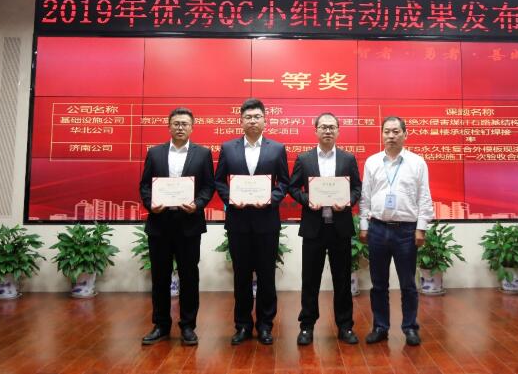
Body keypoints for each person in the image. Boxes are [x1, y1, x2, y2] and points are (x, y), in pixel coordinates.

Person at [214, 98, 290, 345]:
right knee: (241, 276)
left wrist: (270, 199)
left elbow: (284, 183)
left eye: (257, 117)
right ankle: (243, 325)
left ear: (265, 120)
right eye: (248, 117)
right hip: (238, 223)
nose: (253, 121)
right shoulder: (228, 148)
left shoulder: (277, 148)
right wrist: (231, 198)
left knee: (267, 275)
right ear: (241, 120)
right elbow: (219, 181)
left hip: (267, 222)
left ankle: (266, 325)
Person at [139, 107, 215, 346]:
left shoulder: (203, 154)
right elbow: (145, 186)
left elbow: (208, 186)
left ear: (192, 127)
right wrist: (151, 204)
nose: (180, 127)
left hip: (189, 224)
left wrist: (198, 204)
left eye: (184, 124)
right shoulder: (155, 153)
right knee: (160, 277)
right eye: (176, 123)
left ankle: (188, 326)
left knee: (189, 276)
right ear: (169, 126)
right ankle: (161, 325)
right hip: (160, 223)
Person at [359, 116, 434, 346]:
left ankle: (410, 327)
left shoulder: (417, 162)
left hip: (406, 231)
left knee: (408, 284)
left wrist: (421, 229)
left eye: (396, 131)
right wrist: (364, 226)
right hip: (378, 228)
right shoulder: (372, 162)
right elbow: (365, 197)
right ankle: (380, 327)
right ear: (381, 134)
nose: (391, 136)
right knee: (378, 284)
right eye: (387, 131)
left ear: (405, 134)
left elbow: (424, 197)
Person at [289, 113, 361, 345]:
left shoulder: (348, 159)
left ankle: (345, 326)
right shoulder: (304, 158)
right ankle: (307, 326)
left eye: (332, 127)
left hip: (340, 228)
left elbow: (357, 188)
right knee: (310, 279)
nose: (328, 131)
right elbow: (293, 187)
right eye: (323, 127)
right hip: (314, 228)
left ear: (338, 130)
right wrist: (307, 199)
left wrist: (347, 201)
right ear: (316, 131)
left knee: (342, 280)